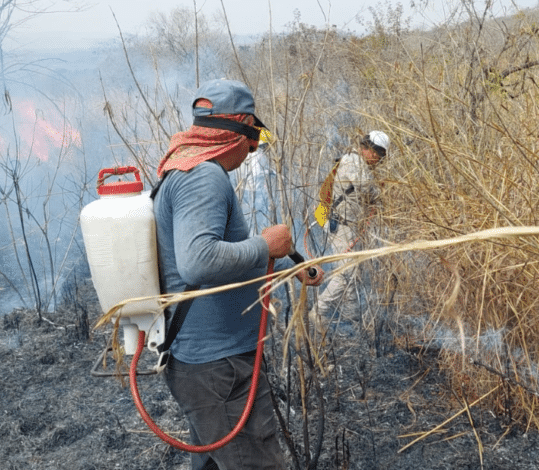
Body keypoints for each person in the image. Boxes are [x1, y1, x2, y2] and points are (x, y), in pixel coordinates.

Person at [153, 78, 324, 470]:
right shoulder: (203, 177)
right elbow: (198, 261)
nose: (253, 149)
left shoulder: (185, 169)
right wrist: (267, 246)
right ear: (244, 126)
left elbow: (223, 260)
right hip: (220, 369)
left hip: (208, 366)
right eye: (254, 135)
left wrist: (289, 265)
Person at [310, 130, 389, 329]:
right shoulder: (353, 163)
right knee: (346, 274)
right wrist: (382, 194)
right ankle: (318, 312)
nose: (380, 161)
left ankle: (352, 319)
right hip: (342, 226)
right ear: (372, 151)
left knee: (352, 273)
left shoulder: (357, 162)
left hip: (347, 226)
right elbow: (367, 190)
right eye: (381, 156)